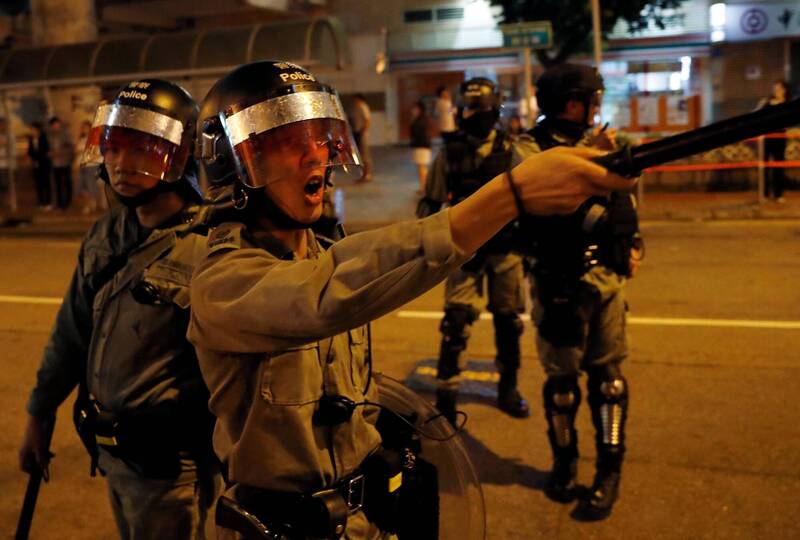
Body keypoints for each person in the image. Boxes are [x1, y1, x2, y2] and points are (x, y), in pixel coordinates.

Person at [187, 60, 632, 539]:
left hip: (361, 522)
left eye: (319, 136)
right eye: (285, 141)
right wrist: (510, 195)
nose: (315, 155)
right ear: (230, 161)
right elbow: (329, 290)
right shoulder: (223, 281)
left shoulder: (321, 250)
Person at [19, 79, 220, 539]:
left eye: (144, 150)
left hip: (174, 467)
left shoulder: (212, 247)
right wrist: (39, 413)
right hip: (114, 455)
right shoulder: (106, 235)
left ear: (182, 154)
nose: (121, 164)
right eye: (113, 148)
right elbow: (71, 333)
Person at [513, 63, 642, 521]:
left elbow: (626, 199)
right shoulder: (529, 147)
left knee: (608, 381)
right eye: (592, 99)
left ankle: (609, 472)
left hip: (603, 279)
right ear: (572, 103)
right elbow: (545, 184)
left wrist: (633, 243)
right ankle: (564, 463)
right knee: (562, 386)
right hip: (555, 280)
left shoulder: (611, 143)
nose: (596, 108)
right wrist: (593, 155)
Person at [417, 77, 529, 425]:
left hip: (506, 251)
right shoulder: (448, 153)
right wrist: (424, 248)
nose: (472, 116)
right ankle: (446, 397)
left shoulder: (513, 150)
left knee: (508, 323)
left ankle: (508, 386)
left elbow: (531, 201)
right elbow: (430, 203)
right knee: (456, 323)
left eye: (478, 109)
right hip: (464, 251)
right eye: (467, 109)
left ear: (494, 110)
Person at [757, 80, 791, 202]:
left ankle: (778, 194)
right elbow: (757, 115)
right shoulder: (768, 103)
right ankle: (765, 194)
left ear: (784, 90)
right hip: (768, 137)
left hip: (780, 137)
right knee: (765, 166)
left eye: (778, 88)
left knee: (779, 166)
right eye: (774, 88)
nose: (776, 91)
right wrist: (761, 104)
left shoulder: (788, 103)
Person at [74, 119, 101, 214]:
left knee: (90, 185)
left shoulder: (94, 138)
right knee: (82, 186)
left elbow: (96, 153)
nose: (84, 129)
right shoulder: (81, 138)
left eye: (86, 127)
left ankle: (91, 205)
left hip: (91, 165)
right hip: (82, 165)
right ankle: (88, 205)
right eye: (83, 128)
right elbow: (77, 150)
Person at [48, 116, 75, 210]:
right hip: (55, 163)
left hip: (65, 162)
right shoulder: (50, 136)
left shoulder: (65, 134)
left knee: (67, 183)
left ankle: (68, 203)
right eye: (53, 125)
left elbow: (70, 148)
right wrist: (51, 153)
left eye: (57, 124)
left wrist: (61, 152)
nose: (55, 126)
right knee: (57, 183)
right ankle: (59, 203)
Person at [27, 121, 52, 210]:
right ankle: (41, 202)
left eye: (33, 130)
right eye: (31, 130)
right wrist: (33, 159)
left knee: (46, 183)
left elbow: (45, 151)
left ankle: (48, 202)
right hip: (35, 165)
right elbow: (30, 151)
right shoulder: (31, 139)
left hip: (44, 164)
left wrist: (38, 159)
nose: (32, 131)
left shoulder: (43, 138)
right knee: (38, 184)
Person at [409, 101, 432, 194]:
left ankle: (425, 188)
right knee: (421, 169)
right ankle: (423, 187)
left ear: (419, 109)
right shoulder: (420, 119)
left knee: (422, 169)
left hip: (421, 147)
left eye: (415, 108)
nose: (413, 110)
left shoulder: (420, 121)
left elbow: (418, 134)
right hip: (421, 146)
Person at [350, 93, 373, 183]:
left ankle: (367, 174)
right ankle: (363, 174)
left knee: (365, 155)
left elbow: (367, 120)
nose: (354, 102)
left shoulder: (363, 106)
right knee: (361, 155)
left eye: (355, 99)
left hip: (362, 134)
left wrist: (362, 132)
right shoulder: (356, 108)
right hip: (357, 133)